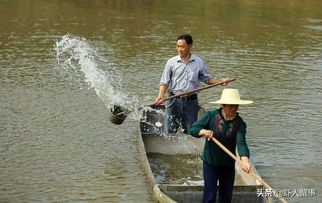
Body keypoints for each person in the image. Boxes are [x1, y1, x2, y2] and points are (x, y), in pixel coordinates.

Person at [155, 34, 229, 134]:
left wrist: (220, 82)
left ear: (190, 46)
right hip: (173, 100)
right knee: (169, 130)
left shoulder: (198, 62)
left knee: (191, 131)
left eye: (182, 46)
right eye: (177, 46)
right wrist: (161, 96)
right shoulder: (171, 62)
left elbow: (207, 79)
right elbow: (164, 82)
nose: (179, 49)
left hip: (191, 102)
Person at [188, 88, 253, 203]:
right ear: (224, 105)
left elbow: (241, 143)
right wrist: (203, 131)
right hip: (210, 163)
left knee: (226, 197)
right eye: (230, 106)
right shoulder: (211, 116)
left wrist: (245, 160)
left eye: (236, 105)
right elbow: (193, 129)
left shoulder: (240, 123)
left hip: (228, 165)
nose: (234, 108)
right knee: (210, 195)